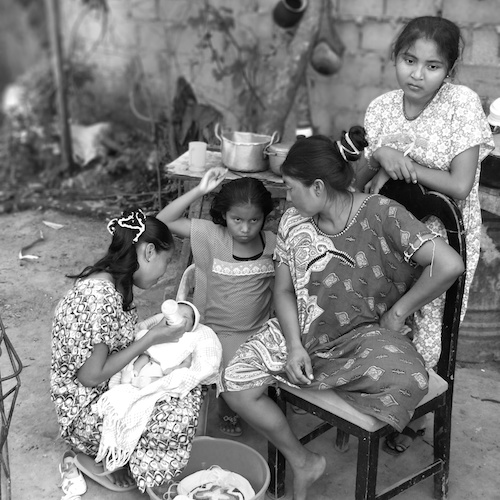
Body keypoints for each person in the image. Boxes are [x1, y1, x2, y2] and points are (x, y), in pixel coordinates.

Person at [221, 128, 465, 500]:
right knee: (236, 384)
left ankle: (331, 382)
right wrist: (292, 345)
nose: (287, 197)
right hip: (302, 331)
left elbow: (448, 264)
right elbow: (284, 290)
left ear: (318, 187)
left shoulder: (381, 213)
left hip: (362, 335)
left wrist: (399, 313)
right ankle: (303, 460)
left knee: (410, 379)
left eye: (290, 187)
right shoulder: (292, 222)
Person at [357, 15, 494, 453]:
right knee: (367, 318)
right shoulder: (380, 108)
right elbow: (361, 180)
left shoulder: (462, 105)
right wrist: (379, 154)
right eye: (408, 60)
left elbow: (459, 184)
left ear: (449, 71)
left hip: (442, 246)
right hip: (386, 241)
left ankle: (401, 410)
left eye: (432, 66)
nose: (417, 74)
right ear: (395, 57)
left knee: (425, 334)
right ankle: (367, 403)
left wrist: (404, 164)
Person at [50, 209, 207, 493]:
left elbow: (116, 344)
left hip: (107, 386)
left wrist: (154, 335)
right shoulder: (100, 298)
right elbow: (89, 377)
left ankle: (129, 455)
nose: (165, 272)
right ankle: (114, 456)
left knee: (181, 383)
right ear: (148, 252)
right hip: (85, 411)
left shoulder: (113, 282)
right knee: (175, 412)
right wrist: (151, 339)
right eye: (166, 261)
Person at [157, 171, 276, 437]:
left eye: (254, 220)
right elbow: (162, 220)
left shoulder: (273, 245)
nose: (245, 228)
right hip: (214, 331)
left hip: (257, 332)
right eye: (237, 220)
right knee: (229, 371)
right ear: (224, 216)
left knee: (254, 374)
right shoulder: (212, 237)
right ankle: (227, 408)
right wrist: (200, 189)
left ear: (265, 217)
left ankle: (248, 405)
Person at [109, 299, 221, 390]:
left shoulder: (189, 339)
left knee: (168, 378)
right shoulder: (161, 330)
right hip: (150, 357)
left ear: (192, 327)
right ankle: (132, 374)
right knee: (144, 356)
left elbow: (187, 362)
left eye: (185, 317)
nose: (179, 318)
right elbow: (148, 337)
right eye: (177, 314)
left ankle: (147, 382)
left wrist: (176, 368)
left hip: (166, 368)